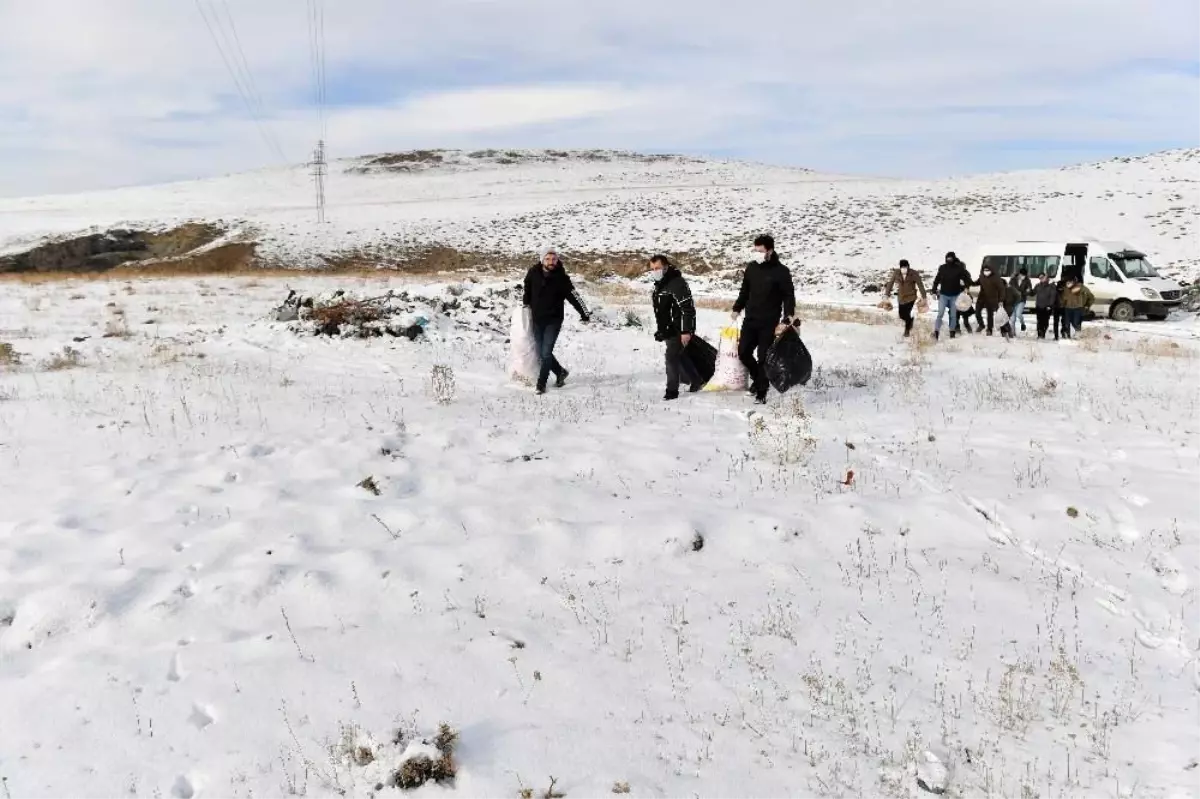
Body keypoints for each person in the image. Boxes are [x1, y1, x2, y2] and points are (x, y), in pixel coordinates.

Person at [731, 234, 796, 404]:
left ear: (770, 251)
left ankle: (761, 391)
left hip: (769, 321)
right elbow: (744, 291)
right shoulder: (751, 268)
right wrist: (737, 308)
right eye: (755, 250)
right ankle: (758, 379)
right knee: (743, 353)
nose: (757, 254)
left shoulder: (781, 272)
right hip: (751, 319)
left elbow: (788, 296)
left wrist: (786, 318)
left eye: (760, 251)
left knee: (763, 357)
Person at [522, 246, 591, 394]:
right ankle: (560, 372)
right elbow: (527, 287)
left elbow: (574, 297)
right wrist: (525, 304)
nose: (551, 262)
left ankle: (541, 384)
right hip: (536, 319)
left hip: (553, 321)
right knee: (541, 353)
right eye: (548, 259)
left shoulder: (562, 278)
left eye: (554, 259)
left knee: (546, 353)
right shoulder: (533, 273)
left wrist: (584, 313)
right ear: (542, 260)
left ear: (557, 260)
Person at [649, 255, 702, 400]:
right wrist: (661, 330)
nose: (655, 271)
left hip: (678, 328)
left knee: (671, 358)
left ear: (666, 267)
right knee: (680, 355)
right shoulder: (660, 284)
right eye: (652, 269)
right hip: (667, 329)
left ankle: (671, 391)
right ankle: (696, 379)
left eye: (658, 268)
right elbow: (662, 309)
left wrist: (686, 331)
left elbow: (687, 309)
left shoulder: (677, 283)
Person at [930, 252, 973, 340]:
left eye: (950, 258)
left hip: (955, 296)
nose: (949, 260)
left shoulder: (959, 269)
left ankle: (952, 332)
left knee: (953, 315)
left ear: (953, 259)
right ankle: (936, 332)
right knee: (940, 313)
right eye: (947, 258)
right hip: (943, 295)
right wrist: (934, 291)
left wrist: (966, 287)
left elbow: (967, 279)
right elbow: (937, 280)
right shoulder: (942, 268)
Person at [883, 259, 927, 337]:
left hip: (911, 297)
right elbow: (890, 283)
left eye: (905, 267)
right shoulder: (896, 273)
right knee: (901, 315)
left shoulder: (913, 273)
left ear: (908, 266)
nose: (903, 269)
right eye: (902, 267)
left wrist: (924, 297)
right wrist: (886, 294)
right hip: (901, 297)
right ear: (900, 267)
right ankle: (910, 321)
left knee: (906, 313)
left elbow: (920, 285)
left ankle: (907, 331)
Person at [975, 263, 1007, 336]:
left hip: (992, 298)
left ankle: (990, 329)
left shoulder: (996, 278)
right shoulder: (982, 276)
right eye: (984, 270)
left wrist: (1001, 300)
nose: (986, 272)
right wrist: (967, 282)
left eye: (987, 270)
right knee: (977, 312)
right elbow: (976, 282)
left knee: (991, 314)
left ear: (991, 270)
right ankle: (981, 325)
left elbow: (1002, 289)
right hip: (982, 297)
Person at [1033, 272, 1058, 339]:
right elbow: (1033, 292)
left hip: (1047, 307)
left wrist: (1050, 305)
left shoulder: (1052, 286)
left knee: (1045, 321)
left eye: (1042, 277)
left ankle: (1043, 332)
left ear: (1046, 277)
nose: (1041, 279)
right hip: (1039, 306)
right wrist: (1028, 291)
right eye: (1040, 278)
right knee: (1039, 320)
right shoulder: (1038, 285)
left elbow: (1053, 296)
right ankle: (1040, 334)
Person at [1009, 268, 1032, 335]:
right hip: (1013, 300)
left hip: (1021, 300)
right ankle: (1013, 333)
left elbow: (1029, 290)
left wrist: (1023, 293)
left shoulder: (1027, 281)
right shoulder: (1013, 279)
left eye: (1024, 275)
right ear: (1019, 274)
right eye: (1021, 274)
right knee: (1012, 318)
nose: (1022, 276)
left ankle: (1022, 323)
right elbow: (1009, 287)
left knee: (1018, 314)